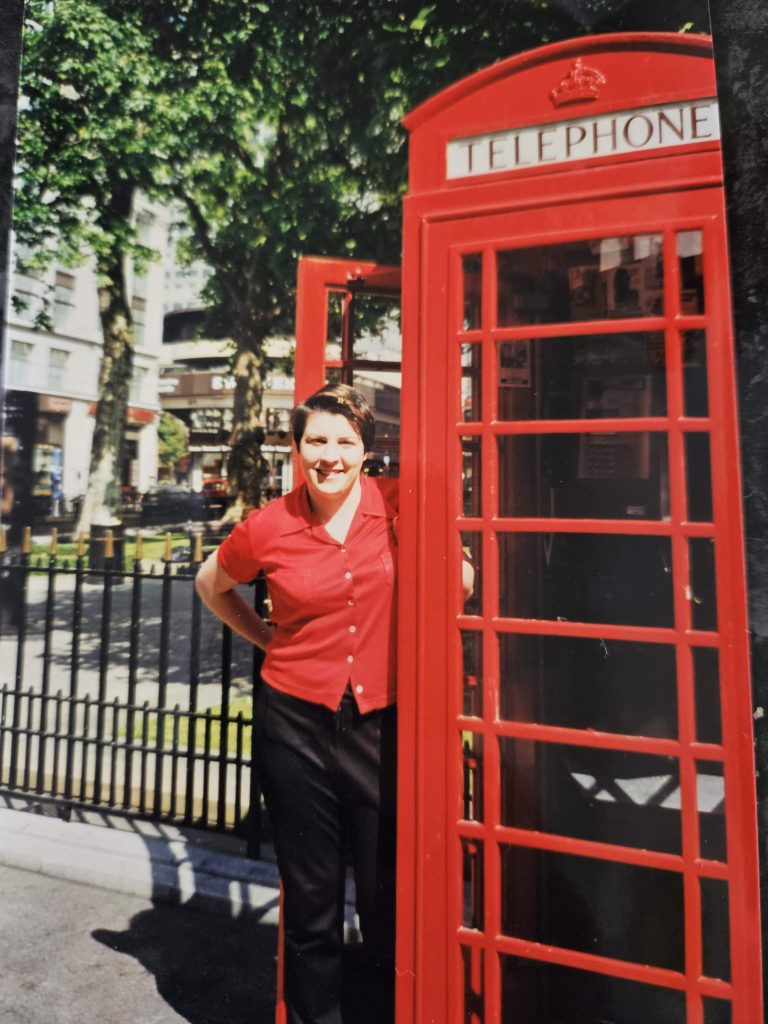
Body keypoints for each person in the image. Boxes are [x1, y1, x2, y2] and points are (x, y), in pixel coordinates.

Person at [195, 383, 400, 1024]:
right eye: (316, 440)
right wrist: (266, 638)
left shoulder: (398, 508)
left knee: (384, 896)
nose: (330, 455)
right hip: (294, 722)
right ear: (296, 447)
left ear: (366, 450)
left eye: (345, 441)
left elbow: (463, 578)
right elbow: (212, 583)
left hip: (380, 722)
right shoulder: (270, 525)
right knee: (310, 898)